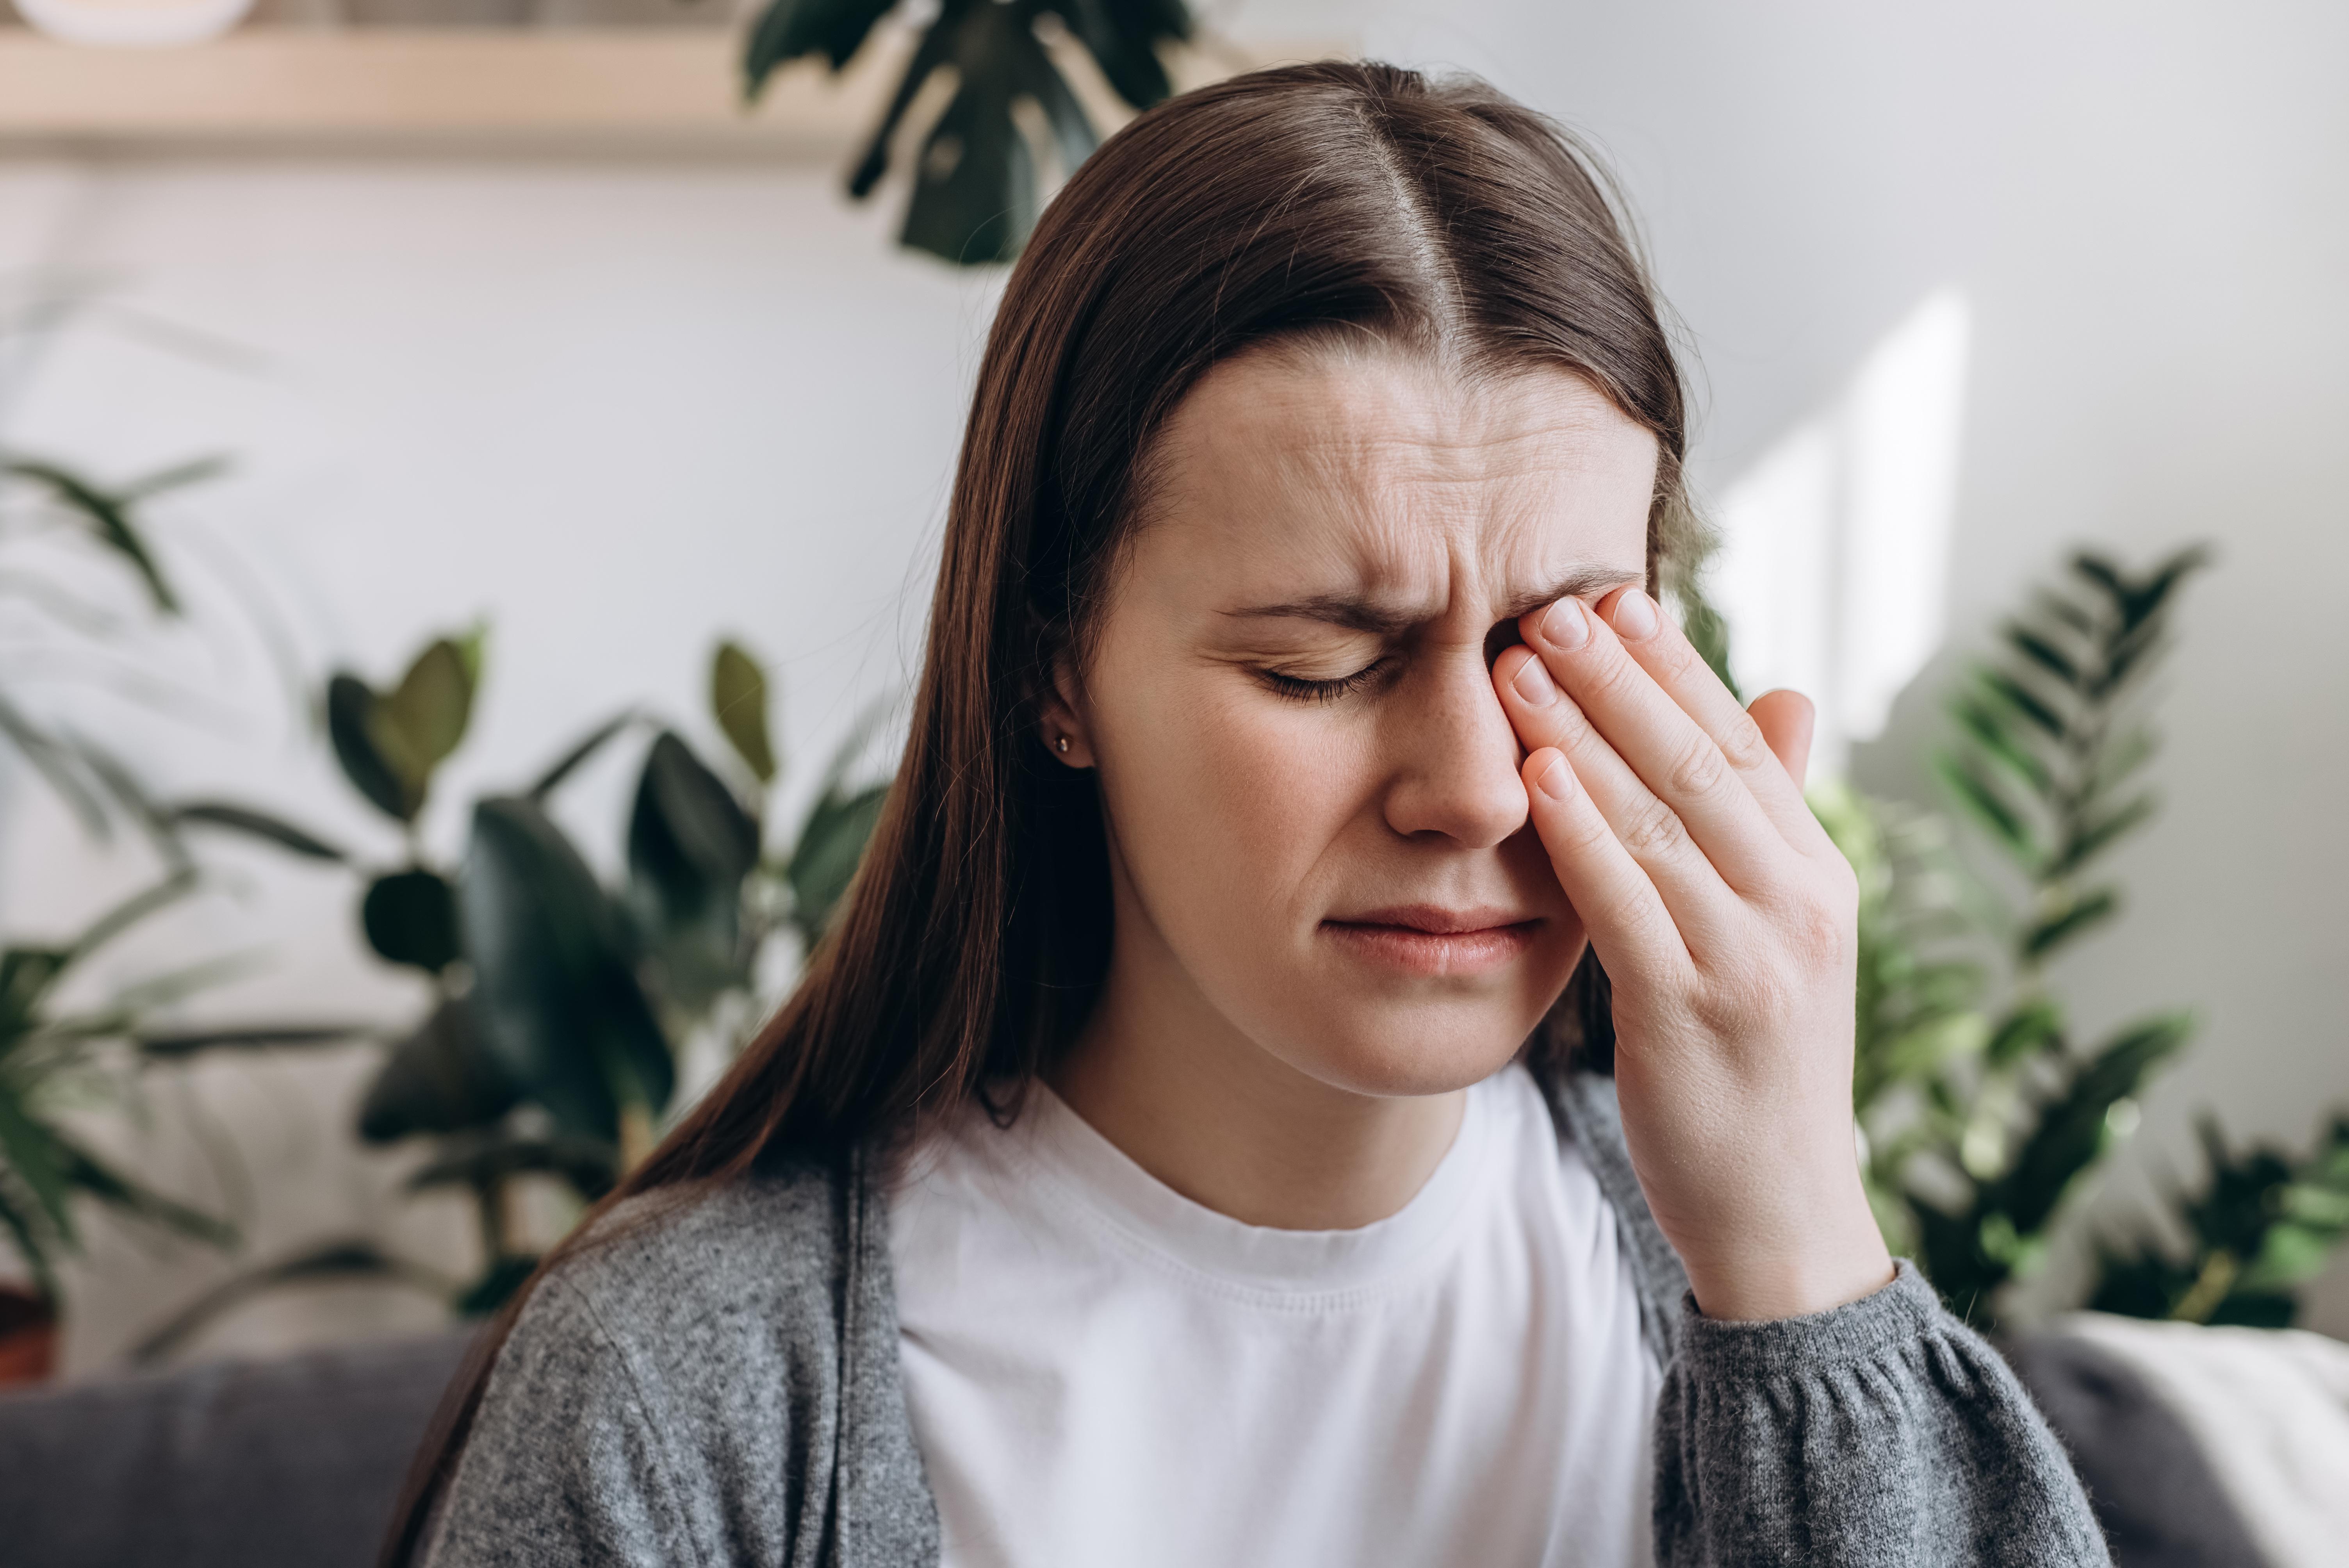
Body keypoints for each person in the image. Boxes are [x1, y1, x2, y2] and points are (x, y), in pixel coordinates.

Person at [392, 61, 2108, 1568]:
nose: (1472, 787)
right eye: (1316, 664)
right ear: (1054, 666)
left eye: (1550, 645)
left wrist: (1803, 1244)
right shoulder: (686, 1379)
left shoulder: (1755, 1299)